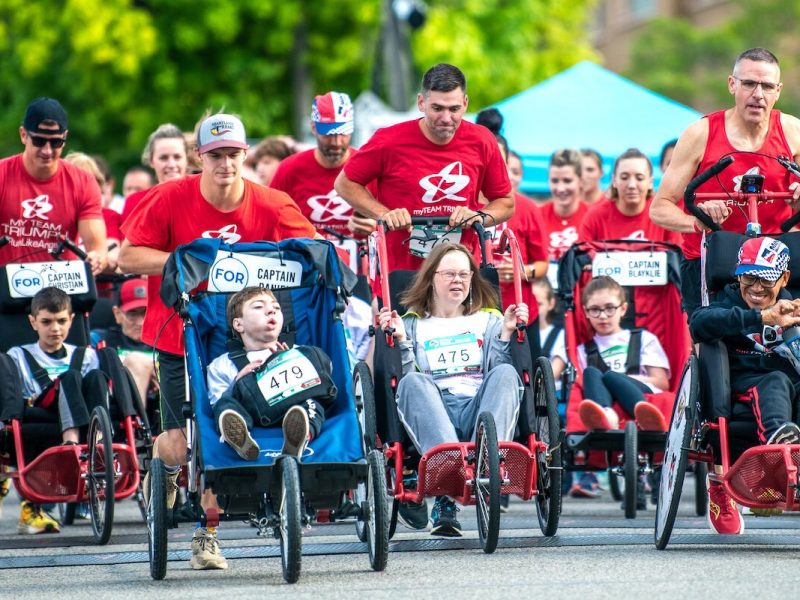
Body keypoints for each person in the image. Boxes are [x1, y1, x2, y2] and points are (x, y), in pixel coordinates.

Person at [118, 112, 316, 570]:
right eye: (215, 156)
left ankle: (207, 534)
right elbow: (127, 256)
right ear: (198, 157)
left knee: (216, 434)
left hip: (243, 337)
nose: (225, 165)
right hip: (177, 332)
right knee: (176, 444)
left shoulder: (270, 203)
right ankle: (165, 473)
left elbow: (312, 251)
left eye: (232, 155)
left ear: (245, 155)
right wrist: (187, 263)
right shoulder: (169, 198)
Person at [378, 243, 526, 537]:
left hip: (478, 407)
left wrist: (506, 332)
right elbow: (405, 383)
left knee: (507, 372)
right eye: (449, 274)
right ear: (432, 277)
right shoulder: (411, 324)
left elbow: (497, 372)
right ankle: (449, 478)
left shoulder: (489, 319)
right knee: (413, 382)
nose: (458, 280)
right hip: (436, 408)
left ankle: (488, 463)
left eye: (464, 274)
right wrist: (402, 342)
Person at [650, 48, 800, 319]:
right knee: (708, 342)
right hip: (712, 261)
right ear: (732, 84)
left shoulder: (792, 131)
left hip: (776, 262)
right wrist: (698, 221)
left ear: (778, 91)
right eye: (749, 83)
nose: (758, 94)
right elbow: (659, 208)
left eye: (767, 86)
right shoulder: (701, 133)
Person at [335, 64, 514, 278]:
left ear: (465, 104)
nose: (446, 118)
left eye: (454, 109)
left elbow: (506, 202)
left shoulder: (482, 139)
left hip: (461, 274)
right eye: (437, 108)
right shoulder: (389, 140)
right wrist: (385, 215)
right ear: (421, 102)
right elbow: (344, 183)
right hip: (402, 273)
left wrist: (477, 216)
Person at [690, 236, 800, 534]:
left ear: (784, 277)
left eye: (765, 280)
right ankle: (776, 455)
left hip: (791, 379)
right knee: (775, 381)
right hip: (742, 381)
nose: (755, 288)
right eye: (748, 277)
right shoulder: (728, 300)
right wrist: (761, 317)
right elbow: (699, 323)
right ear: (738, 274)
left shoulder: (794, 302)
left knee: (785, 382)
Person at [2, 287, 105, 534]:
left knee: (99, 371)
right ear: (33, 322)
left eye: (61, 321)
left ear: (71, 320)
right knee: (70, 376)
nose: (55, 329)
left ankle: (100, 439)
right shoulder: (19, 355)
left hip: (84, 414)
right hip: (41, 410)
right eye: (47, 322)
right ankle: (72, 444)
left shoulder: (86, 355)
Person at [564, 276, 671, 499]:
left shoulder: (644, 338)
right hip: (606, 403)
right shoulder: (583, 350)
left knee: (610, 376)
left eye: (609, 309)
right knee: (591, 373)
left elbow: (661, 382)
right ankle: (607, 416)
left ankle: (642, 415)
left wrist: (622, 378)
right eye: (595, 310)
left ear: (623, 309)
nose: (602, 316)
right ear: (585, 312)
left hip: (643, 396)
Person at [206, 287, 336, 461]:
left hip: (292, 406)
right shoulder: (222, 364)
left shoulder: (298, 352)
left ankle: (300, 436)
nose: (270, 310)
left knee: (312, 403)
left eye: (276, 308)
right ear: (238, 324)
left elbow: (324, 377)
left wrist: (291, 361)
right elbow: (216, 404)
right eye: (258, 307)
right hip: (250, 411)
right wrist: (237, 382)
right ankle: (240, 437)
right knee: (225, 404)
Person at [0, 97, 107, 272]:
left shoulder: (83, 183)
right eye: (39, 141)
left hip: (61, 291)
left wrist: (97, 259)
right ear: (23, 135)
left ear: (65, 137)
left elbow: (97, 249)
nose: (47, 151)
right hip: (5, 289)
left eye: (56, 142)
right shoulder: (2, 175)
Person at [271, 92, 363, 240]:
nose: (336, 142)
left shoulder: (367, 166)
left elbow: (389, 216)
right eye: (328, 134)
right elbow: (269, 217)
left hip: (360, 258)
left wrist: (376, 226)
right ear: (313, 128)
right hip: (307, 258)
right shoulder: (290, 169)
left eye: (343, 134)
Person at [580, 148, 681, 243]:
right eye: (624, 177)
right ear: (614, 181)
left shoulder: (665, 216)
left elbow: (679, 257)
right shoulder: (594, 216)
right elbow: (581, 256)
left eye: (639, 178)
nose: (632, 185)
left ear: (650, 182)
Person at [91, 278, 155, 407]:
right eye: (132, 314)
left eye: (146, 313)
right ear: (117, 314)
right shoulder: (99, 340)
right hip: (118, 407)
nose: (140, 322)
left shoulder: (165, 344)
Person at [120, 123, 189, 227]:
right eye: (163, 158)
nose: (171, 164)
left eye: (177, 157)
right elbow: (127, 243)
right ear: (151, 161)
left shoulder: (205, 197)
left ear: (186, 159)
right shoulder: (135, 202)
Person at [539, 149, 589, 286]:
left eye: (567, 181)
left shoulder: (592, 217)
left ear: (581, 181)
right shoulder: (537, 216)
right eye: (555, 181)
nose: (560, 188)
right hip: (545, 300)